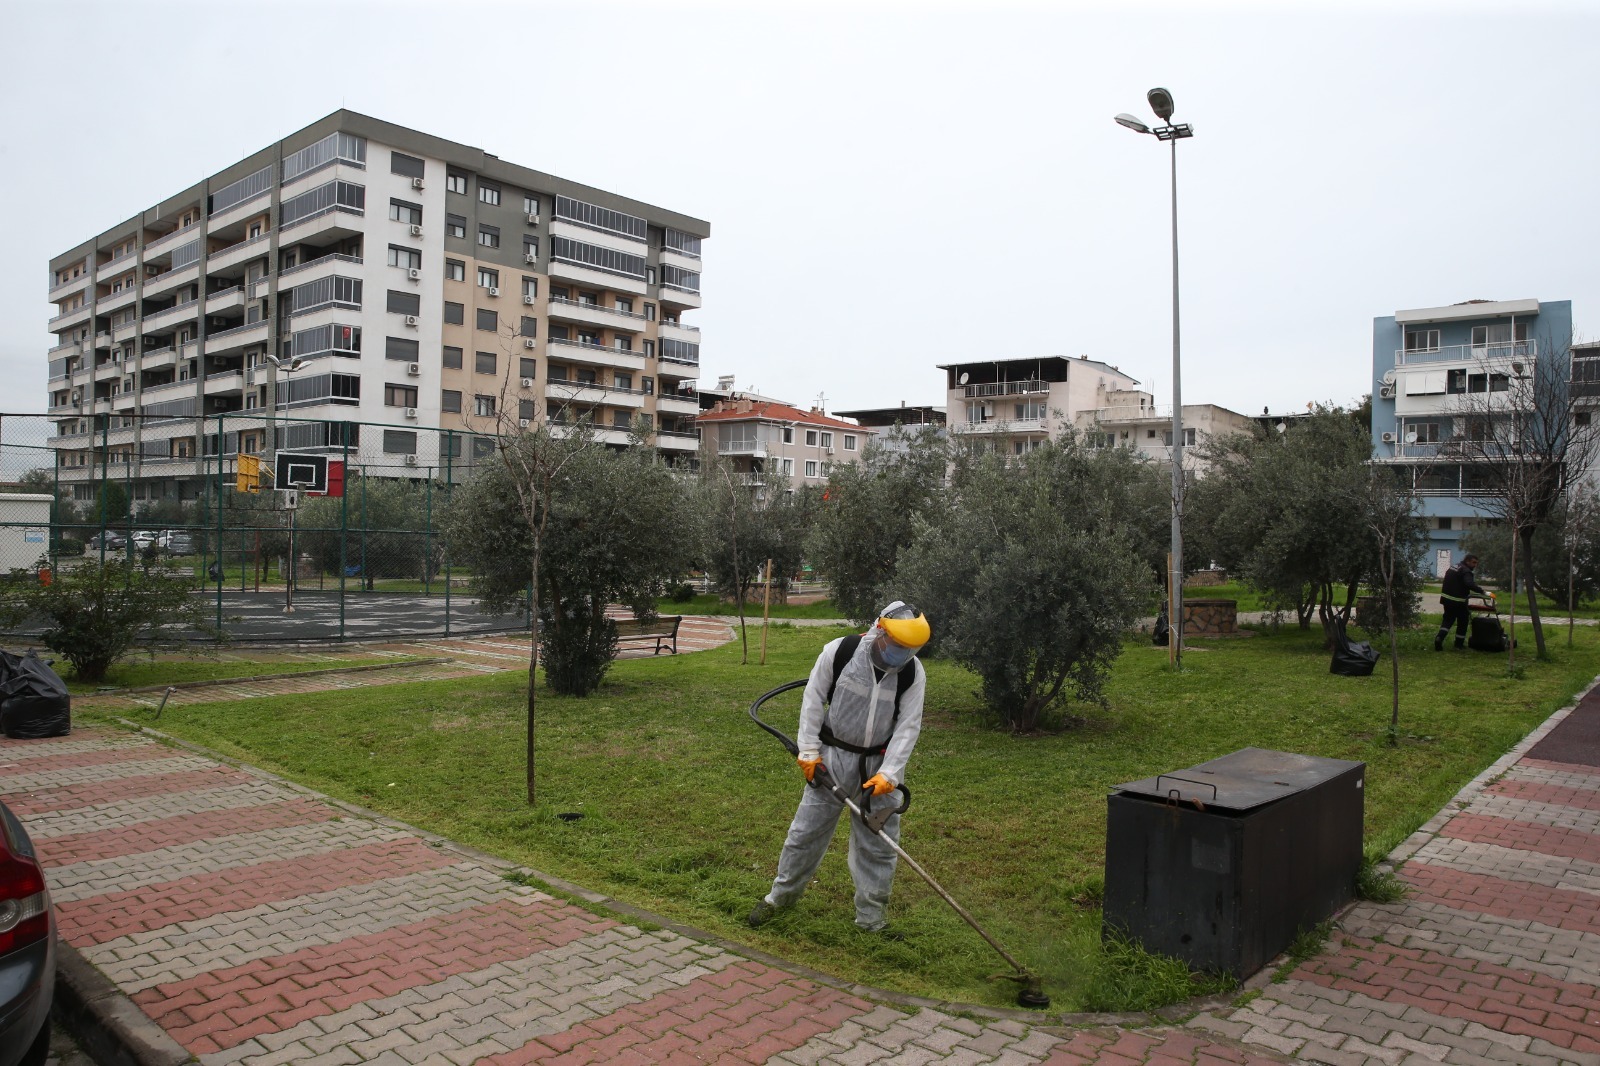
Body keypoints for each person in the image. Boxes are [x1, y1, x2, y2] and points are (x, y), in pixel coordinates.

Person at [748, 601, 929, 933]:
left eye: (912, 648)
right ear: (880, 632)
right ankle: (779, 898)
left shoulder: (912, 673)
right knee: (805, 833)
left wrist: (889, 774)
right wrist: (808, 752)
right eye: (900, 646)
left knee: (878, 845)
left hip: (877, 768)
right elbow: (813, 700)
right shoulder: (840, 652)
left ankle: (872, 920)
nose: (904, 654)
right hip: (831, 759)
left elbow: (908, 727)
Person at [1436, 554, 1490, 650]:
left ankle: (1439, 638)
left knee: (1447, 620)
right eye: (1474, 562)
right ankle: (1459, 644)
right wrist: (1483, 592)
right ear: (1467, 561)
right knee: (1463, 621)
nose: (1475, 565)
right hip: (1458, 601)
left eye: (1476, 563)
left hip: (1446, 600)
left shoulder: (1454, 567)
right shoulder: (1466, 571)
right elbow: (1469, 583)